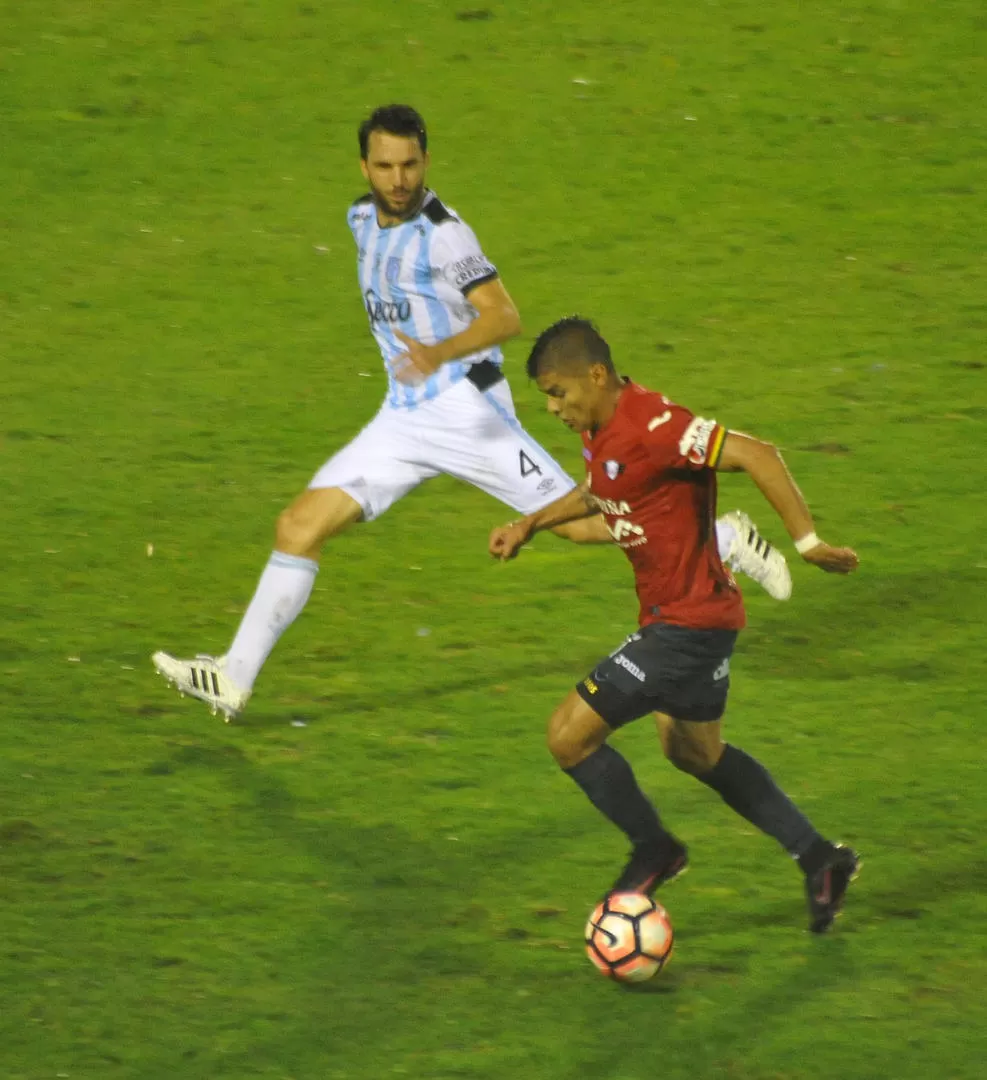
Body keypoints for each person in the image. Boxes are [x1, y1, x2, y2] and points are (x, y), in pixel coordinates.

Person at [152, 105, 789, 721]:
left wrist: (439, 352)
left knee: (575, 516)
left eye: (409, 164)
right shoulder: (358, 219)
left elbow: (504, 316)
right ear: (363, 168)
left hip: (467, 412)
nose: (398, 179)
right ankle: (234, 677)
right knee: (297, 526)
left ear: (425, 160)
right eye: (384, 166)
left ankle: (726, 539)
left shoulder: (444, 233)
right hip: (403, 418)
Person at [489, 316, 860, 933]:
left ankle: (655, 849)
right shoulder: (603, 430)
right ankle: (821, 859)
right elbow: (599, 489)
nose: (553, 408)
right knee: (693, 751)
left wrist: (809, 540)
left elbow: (755, 453)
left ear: (597, 375)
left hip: (683, 627)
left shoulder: (657, 425)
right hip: (699, 620)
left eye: (558, 393)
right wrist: (530, 524)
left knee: (567, 736)